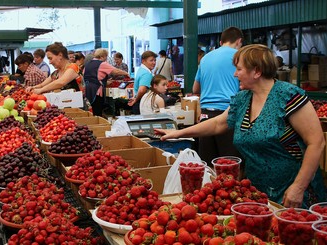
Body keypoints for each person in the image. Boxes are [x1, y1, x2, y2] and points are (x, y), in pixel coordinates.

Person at [156, 44, 326, 208]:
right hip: (257, 192)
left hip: (292, 193)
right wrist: (177, 133)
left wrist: (299, 187)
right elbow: (217, 124)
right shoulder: (243, 99)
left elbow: (316, 142)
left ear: (257, 71)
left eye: (239, 69)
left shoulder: (288, 96)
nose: (235, 74)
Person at [192, 26, 244, 164]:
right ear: (239, 41)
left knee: (208, 165)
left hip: (206, 116)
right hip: (229, 113)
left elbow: (195, 88)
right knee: (230, 165)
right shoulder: (240, 57)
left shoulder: (205, 58)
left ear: (221, 42)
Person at [84, 48, 129, 117]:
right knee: (98, 111)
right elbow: (115, 71)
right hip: (97, 90)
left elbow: (90, 76)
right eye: (106, 56)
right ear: (102, 56)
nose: (106, 59)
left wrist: (105, 82)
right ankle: (99, 126)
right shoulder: (101, 63)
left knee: (91, 110)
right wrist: (126, 73)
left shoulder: (88, 64)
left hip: (88, 90)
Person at [128, 50, 157, 115]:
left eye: (155, 60)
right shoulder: (146, 74)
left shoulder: (141, 70)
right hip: (141, 103)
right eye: (151, 60)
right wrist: (136, 99)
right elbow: (142, 90)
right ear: (143, 61)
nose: (154, 63)